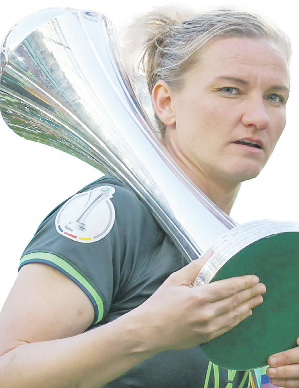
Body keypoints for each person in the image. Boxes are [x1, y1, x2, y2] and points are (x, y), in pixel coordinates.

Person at [0, 6, 294, 388]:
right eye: (230, 90)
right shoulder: (117, 211)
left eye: (275, 97)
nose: (259, 117)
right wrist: (147, 331)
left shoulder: (246, 251)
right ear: (166, 103)